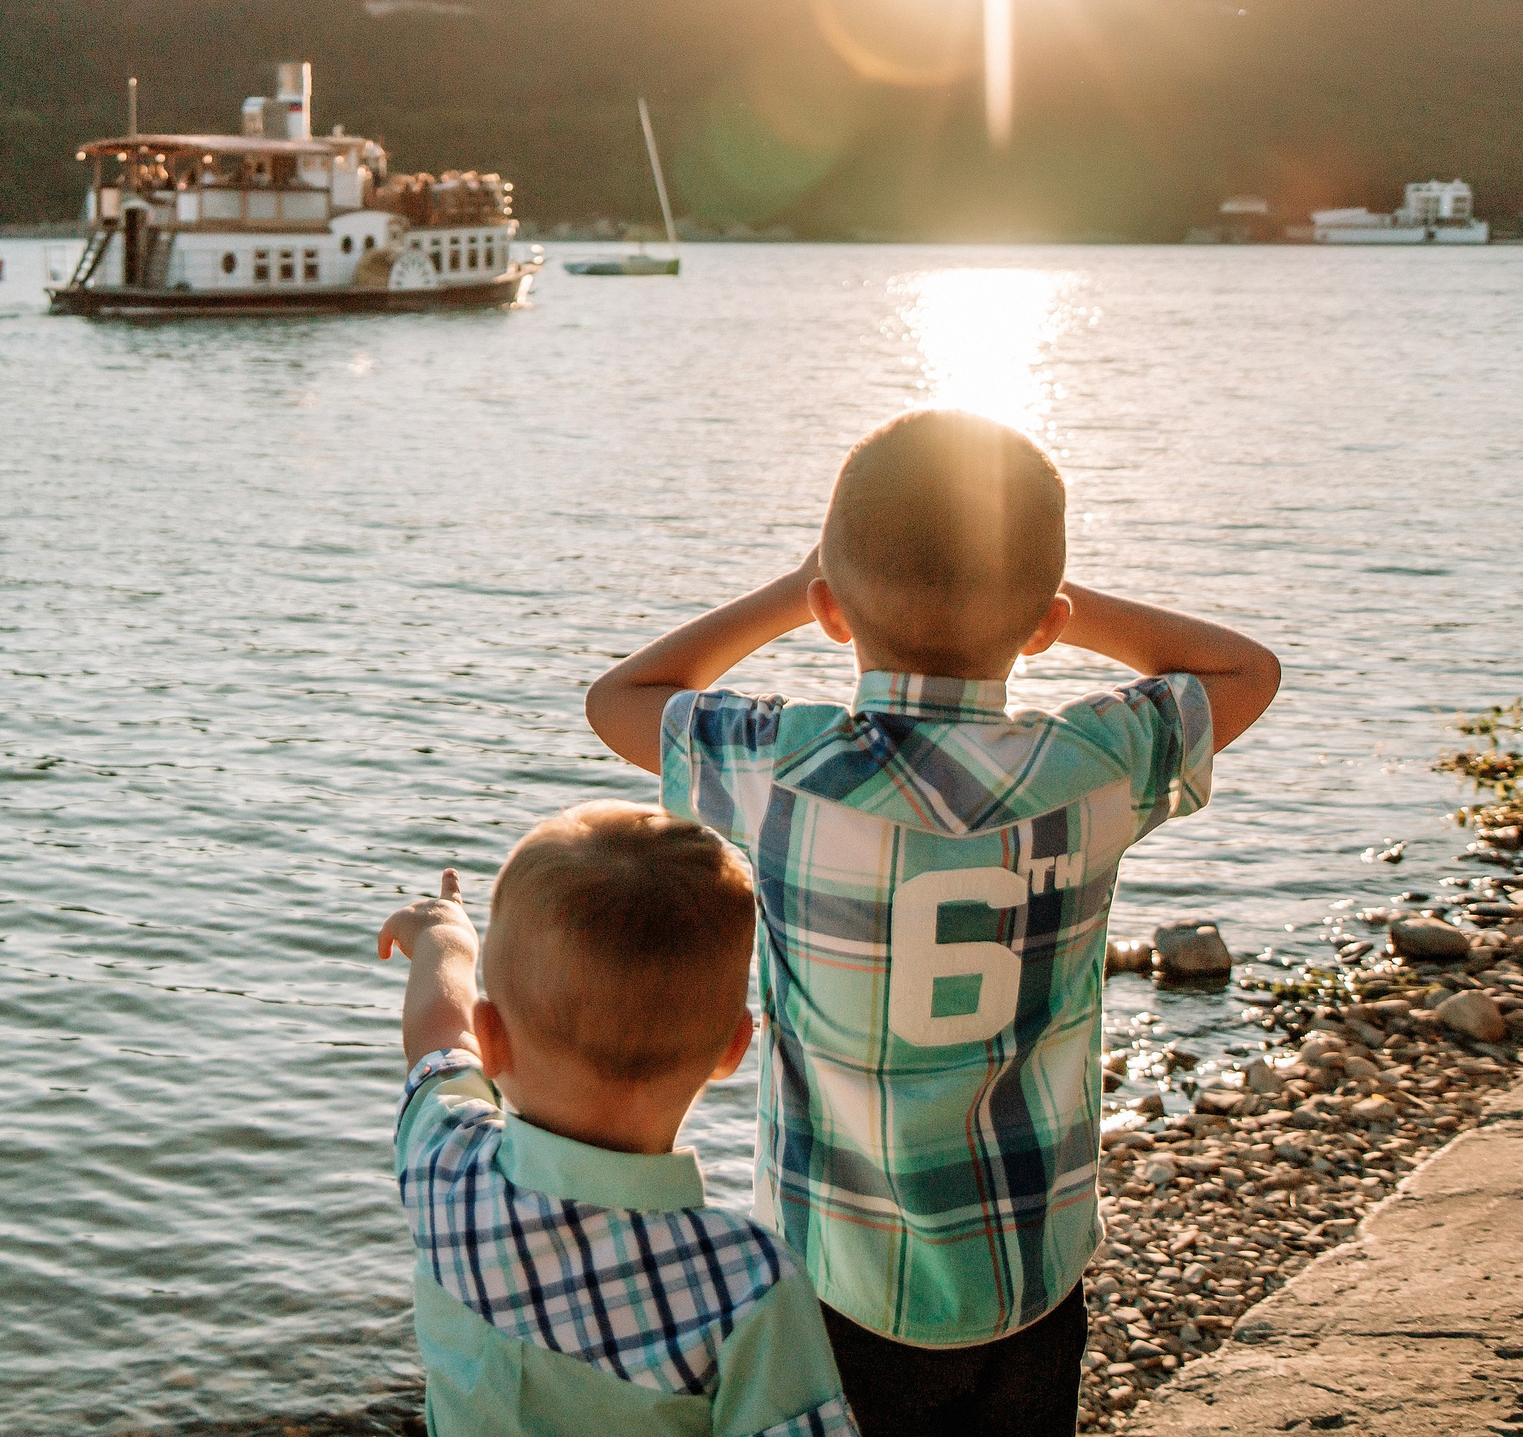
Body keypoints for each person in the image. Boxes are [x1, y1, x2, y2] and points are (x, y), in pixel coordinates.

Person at [583, 408, 1281, 1437]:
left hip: (842, 1276)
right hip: (1026, 1262)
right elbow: (1243, 671)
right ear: (1042, 621)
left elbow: (622, 697)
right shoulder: (1096, 765)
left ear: (832, 604)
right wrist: (1055, 607)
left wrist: (791, 594)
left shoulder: (784, 769)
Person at [378, 801, 861, 1437]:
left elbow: (439, 1038)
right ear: (732, 1050)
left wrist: (445, 936)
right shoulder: (746, 1285)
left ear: (490, 1035)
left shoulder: (444, 1163)